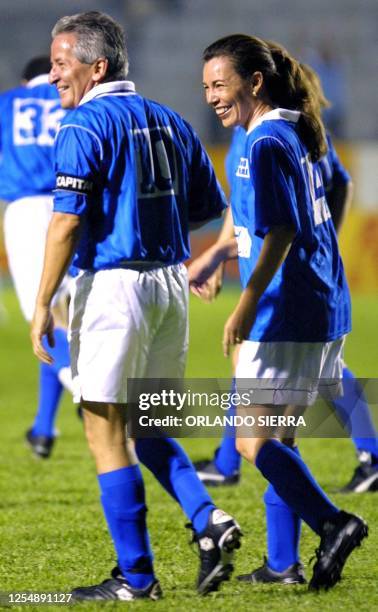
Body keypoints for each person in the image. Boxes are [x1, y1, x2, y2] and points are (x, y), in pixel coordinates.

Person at [31, 11, 241, 602]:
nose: (53, 77)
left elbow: (66, 221)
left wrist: (42, 303)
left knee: (105, 432)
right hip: (169, 287)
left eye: (60, 64)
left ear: (96, 67)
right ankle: (209, 519)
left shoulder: (83, 125)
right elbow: (206, 205)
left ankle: (136, 578)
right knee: (149, 427)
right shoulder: (170, 119)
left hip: (115, 288)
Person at [189, 34, 368, 591]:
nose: (213, 97)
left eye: (221, 85)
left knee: (252, 442)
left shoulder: (266, 141)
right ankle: (283, 564)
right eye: (207, 88)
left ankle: (335, 523)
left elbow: (282, 231)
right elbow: (272, 220)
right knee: (280, 438)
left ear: (255, 82)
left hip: (285, 309)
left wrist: (243, 304)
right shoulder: (290, 129)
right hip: (316, 303)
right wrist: (222, 251)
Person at [0, 56, 73, 458]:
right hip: (74, 207)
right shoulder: (75, 98)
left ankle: (87, 393)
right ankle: (43, 428)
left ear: (25, 80)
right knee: (63, 318)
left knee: (44, 319)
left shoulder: (8, 104)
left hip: (27, 212)